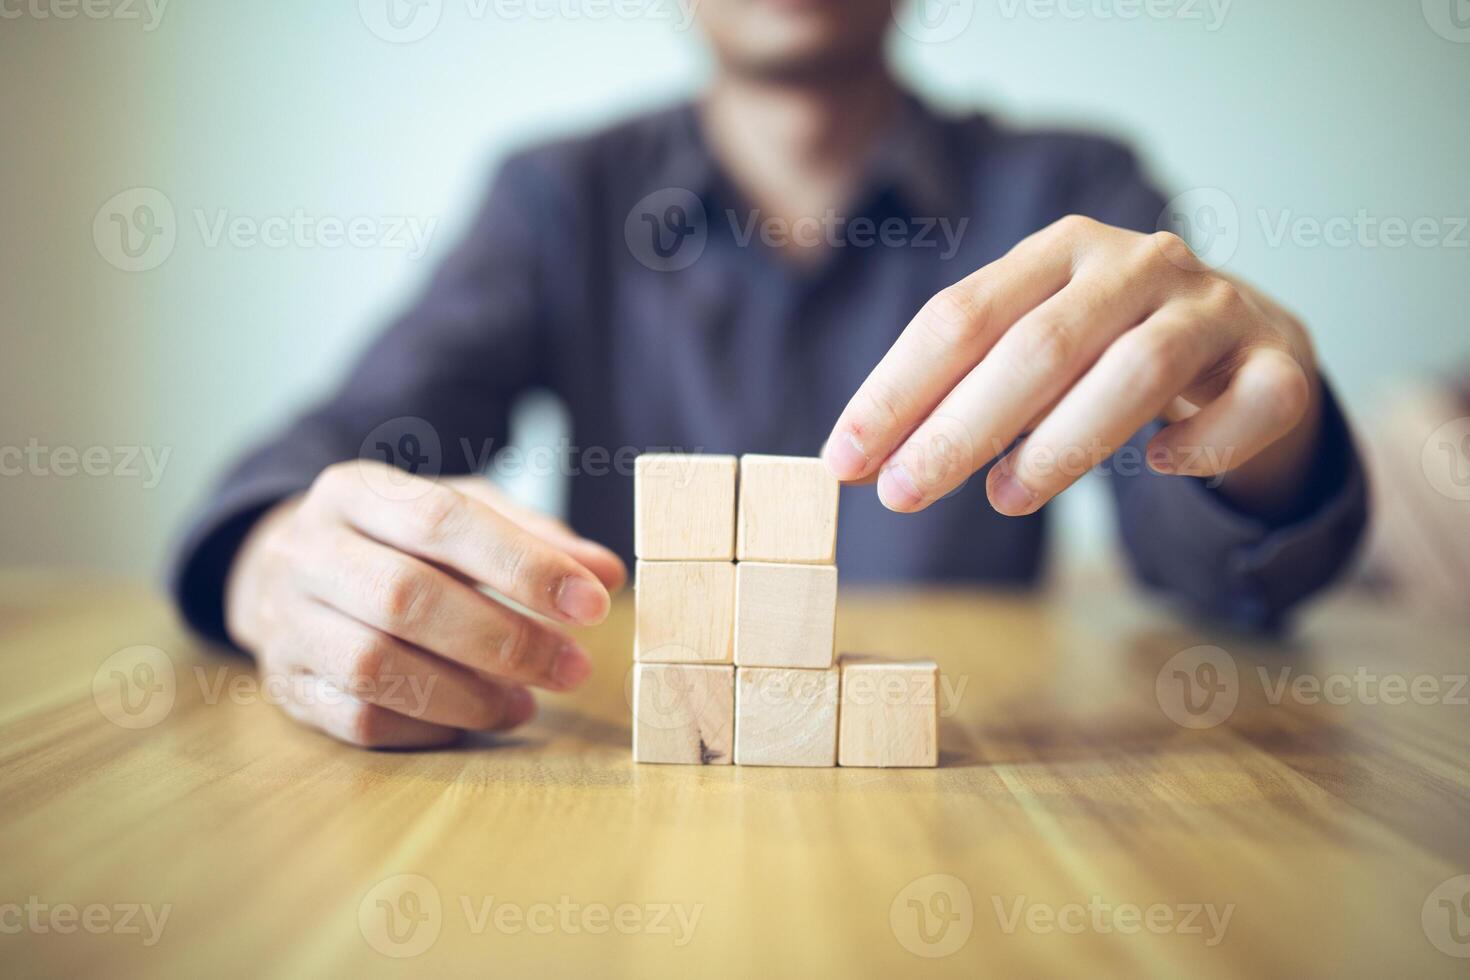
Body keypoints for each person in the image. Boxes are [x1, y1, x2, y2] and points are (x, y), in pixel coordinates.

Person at [171, 0, 1367, 748]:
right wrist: (277, 557)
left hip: (980, 807)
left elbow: (1210, 559)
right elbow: (354, 435)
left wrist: (1264, 443)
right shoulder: (556, 195)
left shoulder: (1076, 187)